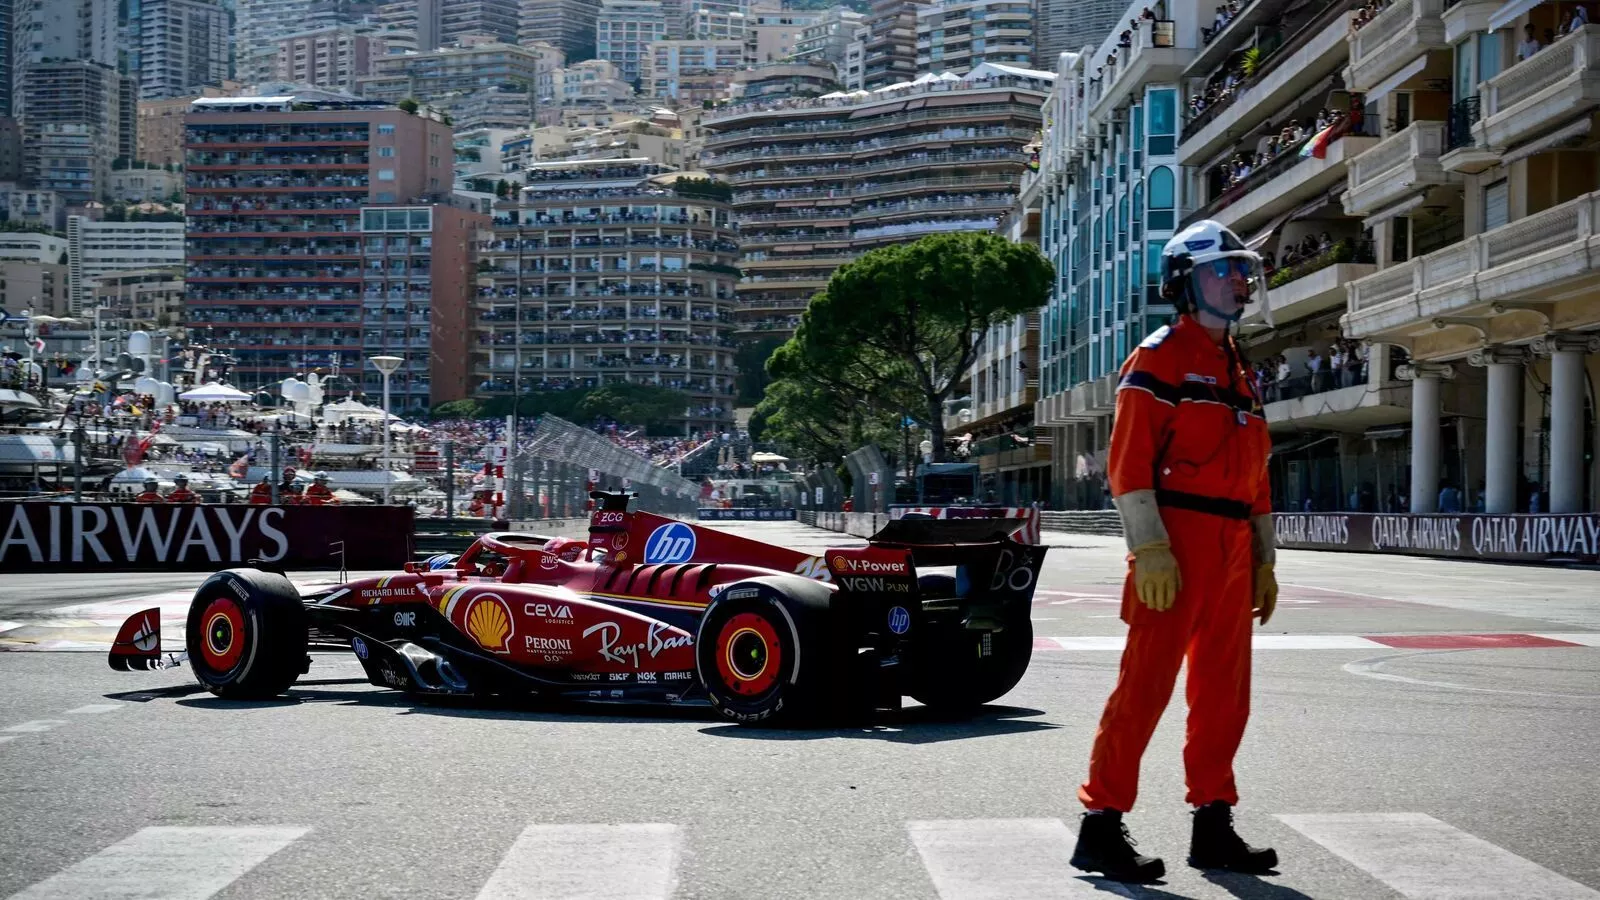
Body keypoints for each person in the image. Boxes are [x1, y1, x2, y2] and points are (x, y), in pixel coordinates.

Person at [1071, 219, 1278, 884]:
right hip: (1176, 539)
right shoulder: (1158, 357)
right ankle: (1101, 825)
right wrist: (1150, 548)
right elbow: (1128, 465)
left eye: (1243, 271)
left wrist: (1266, 559)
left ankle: (1212, 823)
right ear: (1188, 282)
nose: (1242, 280)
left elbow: (1257, 474)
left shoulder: (1240, 369)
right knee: (1146, 688)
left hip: (1233, 546)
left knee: (1225, 696)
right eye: (1227, 270)